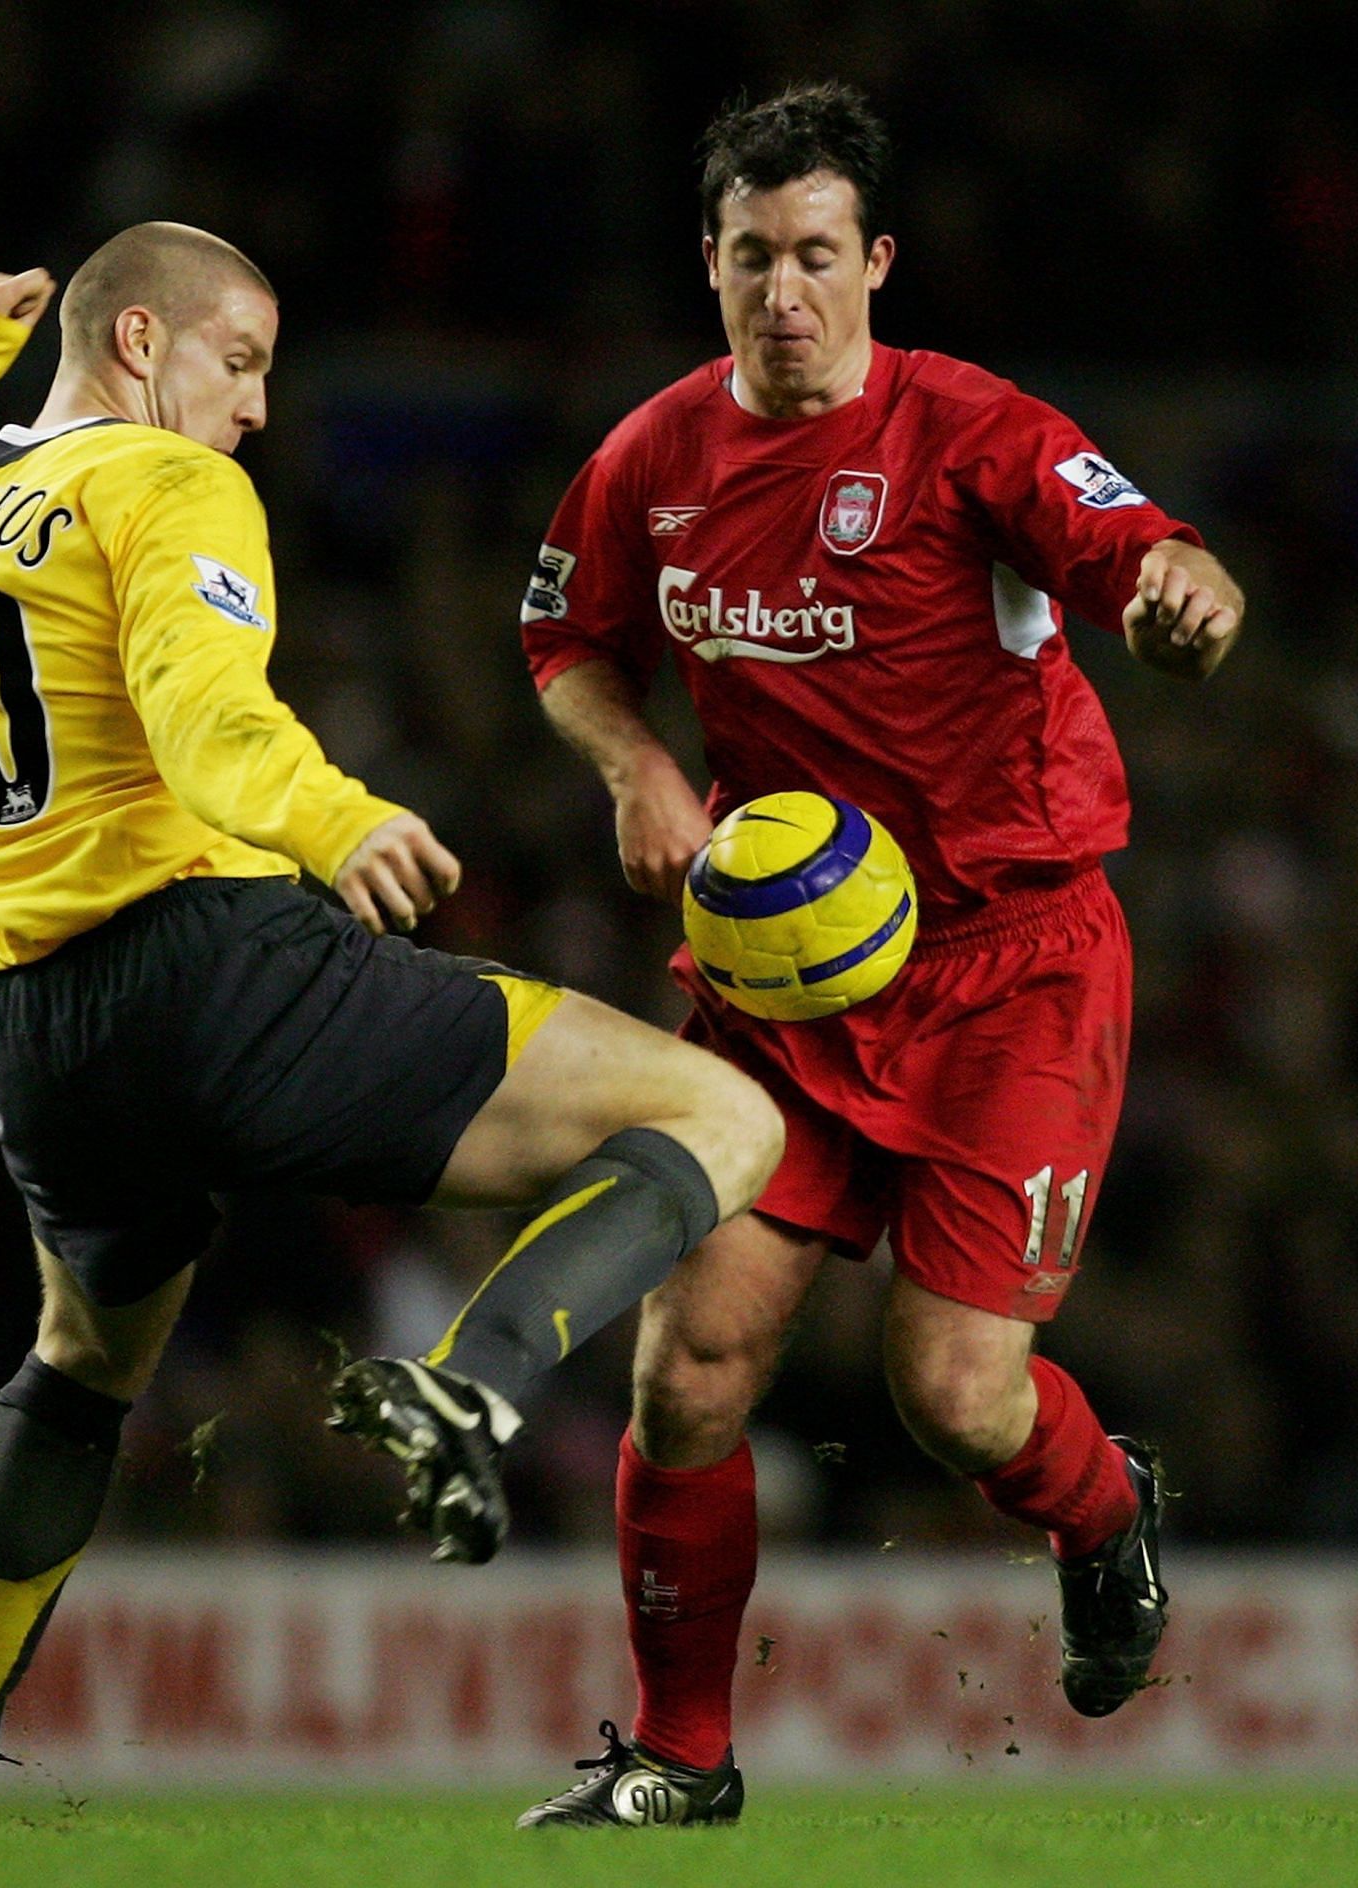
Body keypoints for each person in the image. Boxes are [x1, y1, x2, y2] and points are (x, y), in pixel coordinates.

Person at [0, 223, 783, 1834]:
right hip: (215, 972)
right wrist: (335, 816)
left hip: (34, 1045)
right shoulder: (161, 488)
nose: (260, 409)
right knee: (726, 1120)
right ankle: (477, 1388)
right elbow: (211, 721)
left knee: (79, 1365)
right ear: (139, 344)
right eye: (241, 361)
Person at [516, 84, 1244, 1828]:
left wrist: (1186, 601)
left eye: (818, 257)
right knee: (689, 1362)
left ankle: (1102, 1512)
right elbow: (563, 634)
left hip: (1013, 959)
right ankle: (683, 1762)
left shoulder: (972, 431)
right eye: (753, 256)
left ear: (876, 264)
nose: (786, 290)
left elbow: (1152, 549)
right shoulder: (649, 463)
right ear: (711, 262)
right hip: (791, 979)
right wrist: (637, 765)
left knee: (951, 1393)